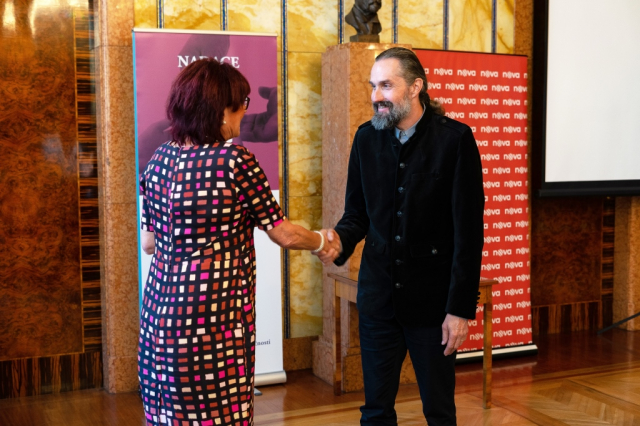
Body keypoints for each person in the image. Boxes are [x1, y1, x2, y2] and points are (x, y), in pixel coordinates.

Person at [137, 58, 340, 426]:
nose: (245, 113)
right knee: (219, 411)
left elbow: (149, 243)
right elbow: (282, 232)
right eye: (242, 104)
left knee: (170, 413)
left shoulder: (158, 160)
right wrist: (321, 242)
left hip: (159, 318)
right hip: (212, 317)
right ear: (220, 109)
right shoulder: (233, 161)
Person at [318, 47, 485, 425]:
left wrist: (459, 310)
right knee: (375, 411)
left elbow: (469, 234)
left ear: (415, 87)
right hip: (378, 299)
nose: (376, 95)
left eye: (386, 85)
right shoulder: (365, 139)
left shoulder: (455, 140)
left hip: (433, 306)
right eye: (373, 86)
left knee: (439, 412)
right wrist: (339, 240)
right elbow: (357, 214)